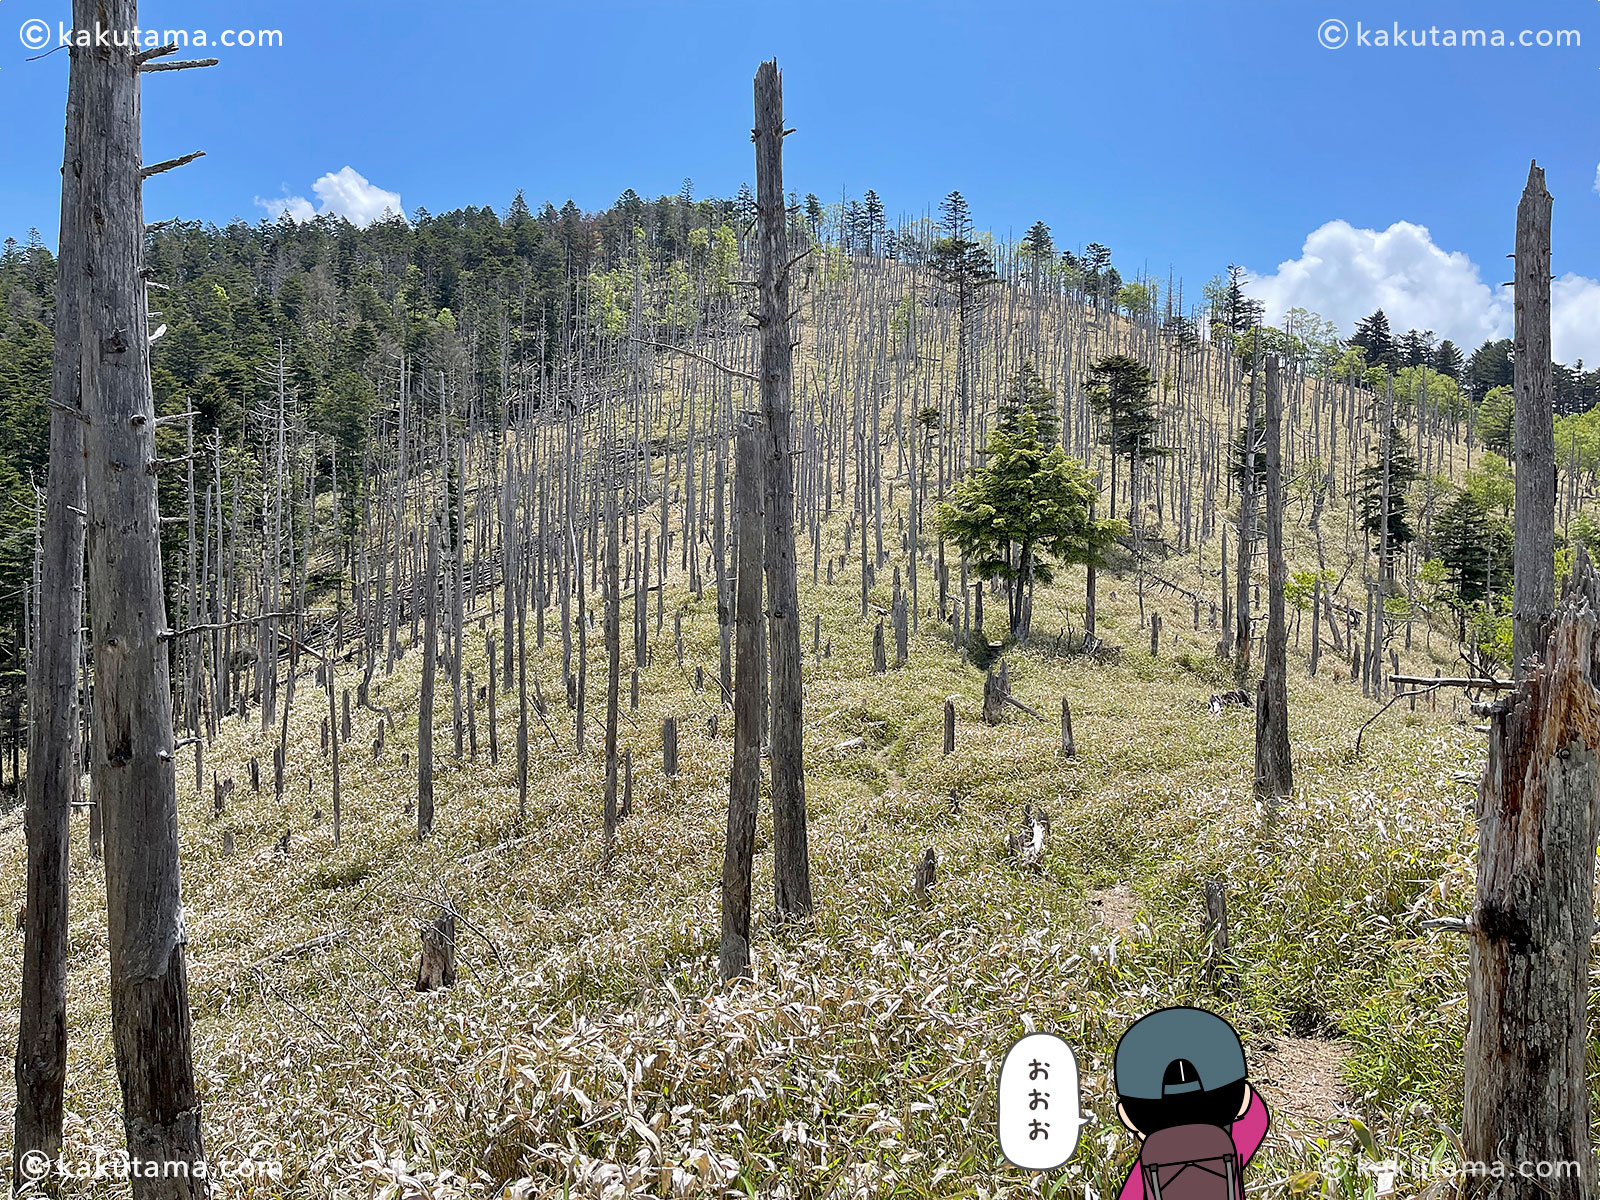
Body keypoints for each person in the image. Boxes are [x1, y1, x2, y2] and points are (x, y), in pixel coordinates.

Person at [1113, 1007, 1270, 1200]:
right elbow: (1256, 1113)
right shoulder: (1236, 1143)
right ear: (1242, 1099)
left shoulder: (1146, 1165)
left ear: (1127, 1117)